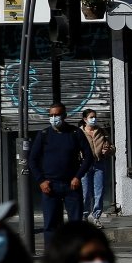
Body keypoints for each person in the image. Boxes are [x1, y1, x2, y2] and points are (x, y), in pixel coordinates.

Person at [28, 103, 93, 247]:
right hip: (50, 186)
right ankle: (52, 257)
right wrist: (41, 181)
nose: (53, 118)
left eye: (56, 115)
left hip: (72, 185)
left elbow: (89, 157)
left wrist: (78, 176)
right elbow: (32, 160)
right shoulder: (43, 135)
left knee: (75, 225)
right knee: (51, 224)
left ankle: (75, 254)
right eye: (51, 115)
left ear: (64, 116)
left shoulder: (75, 133)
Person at [79, 109, 114, 228]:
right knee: (85, 192)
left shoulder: (101, 131)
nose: (94, 119)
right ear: (85, 119)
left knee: (99, 192)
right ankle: (84, 216)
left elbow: (112, 147)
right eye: (91, 117)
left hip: (99, 164)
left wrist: (108, 150)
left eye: (95, 116)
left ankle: (96, 217)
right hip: (85, 165)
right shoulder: (80, 132)